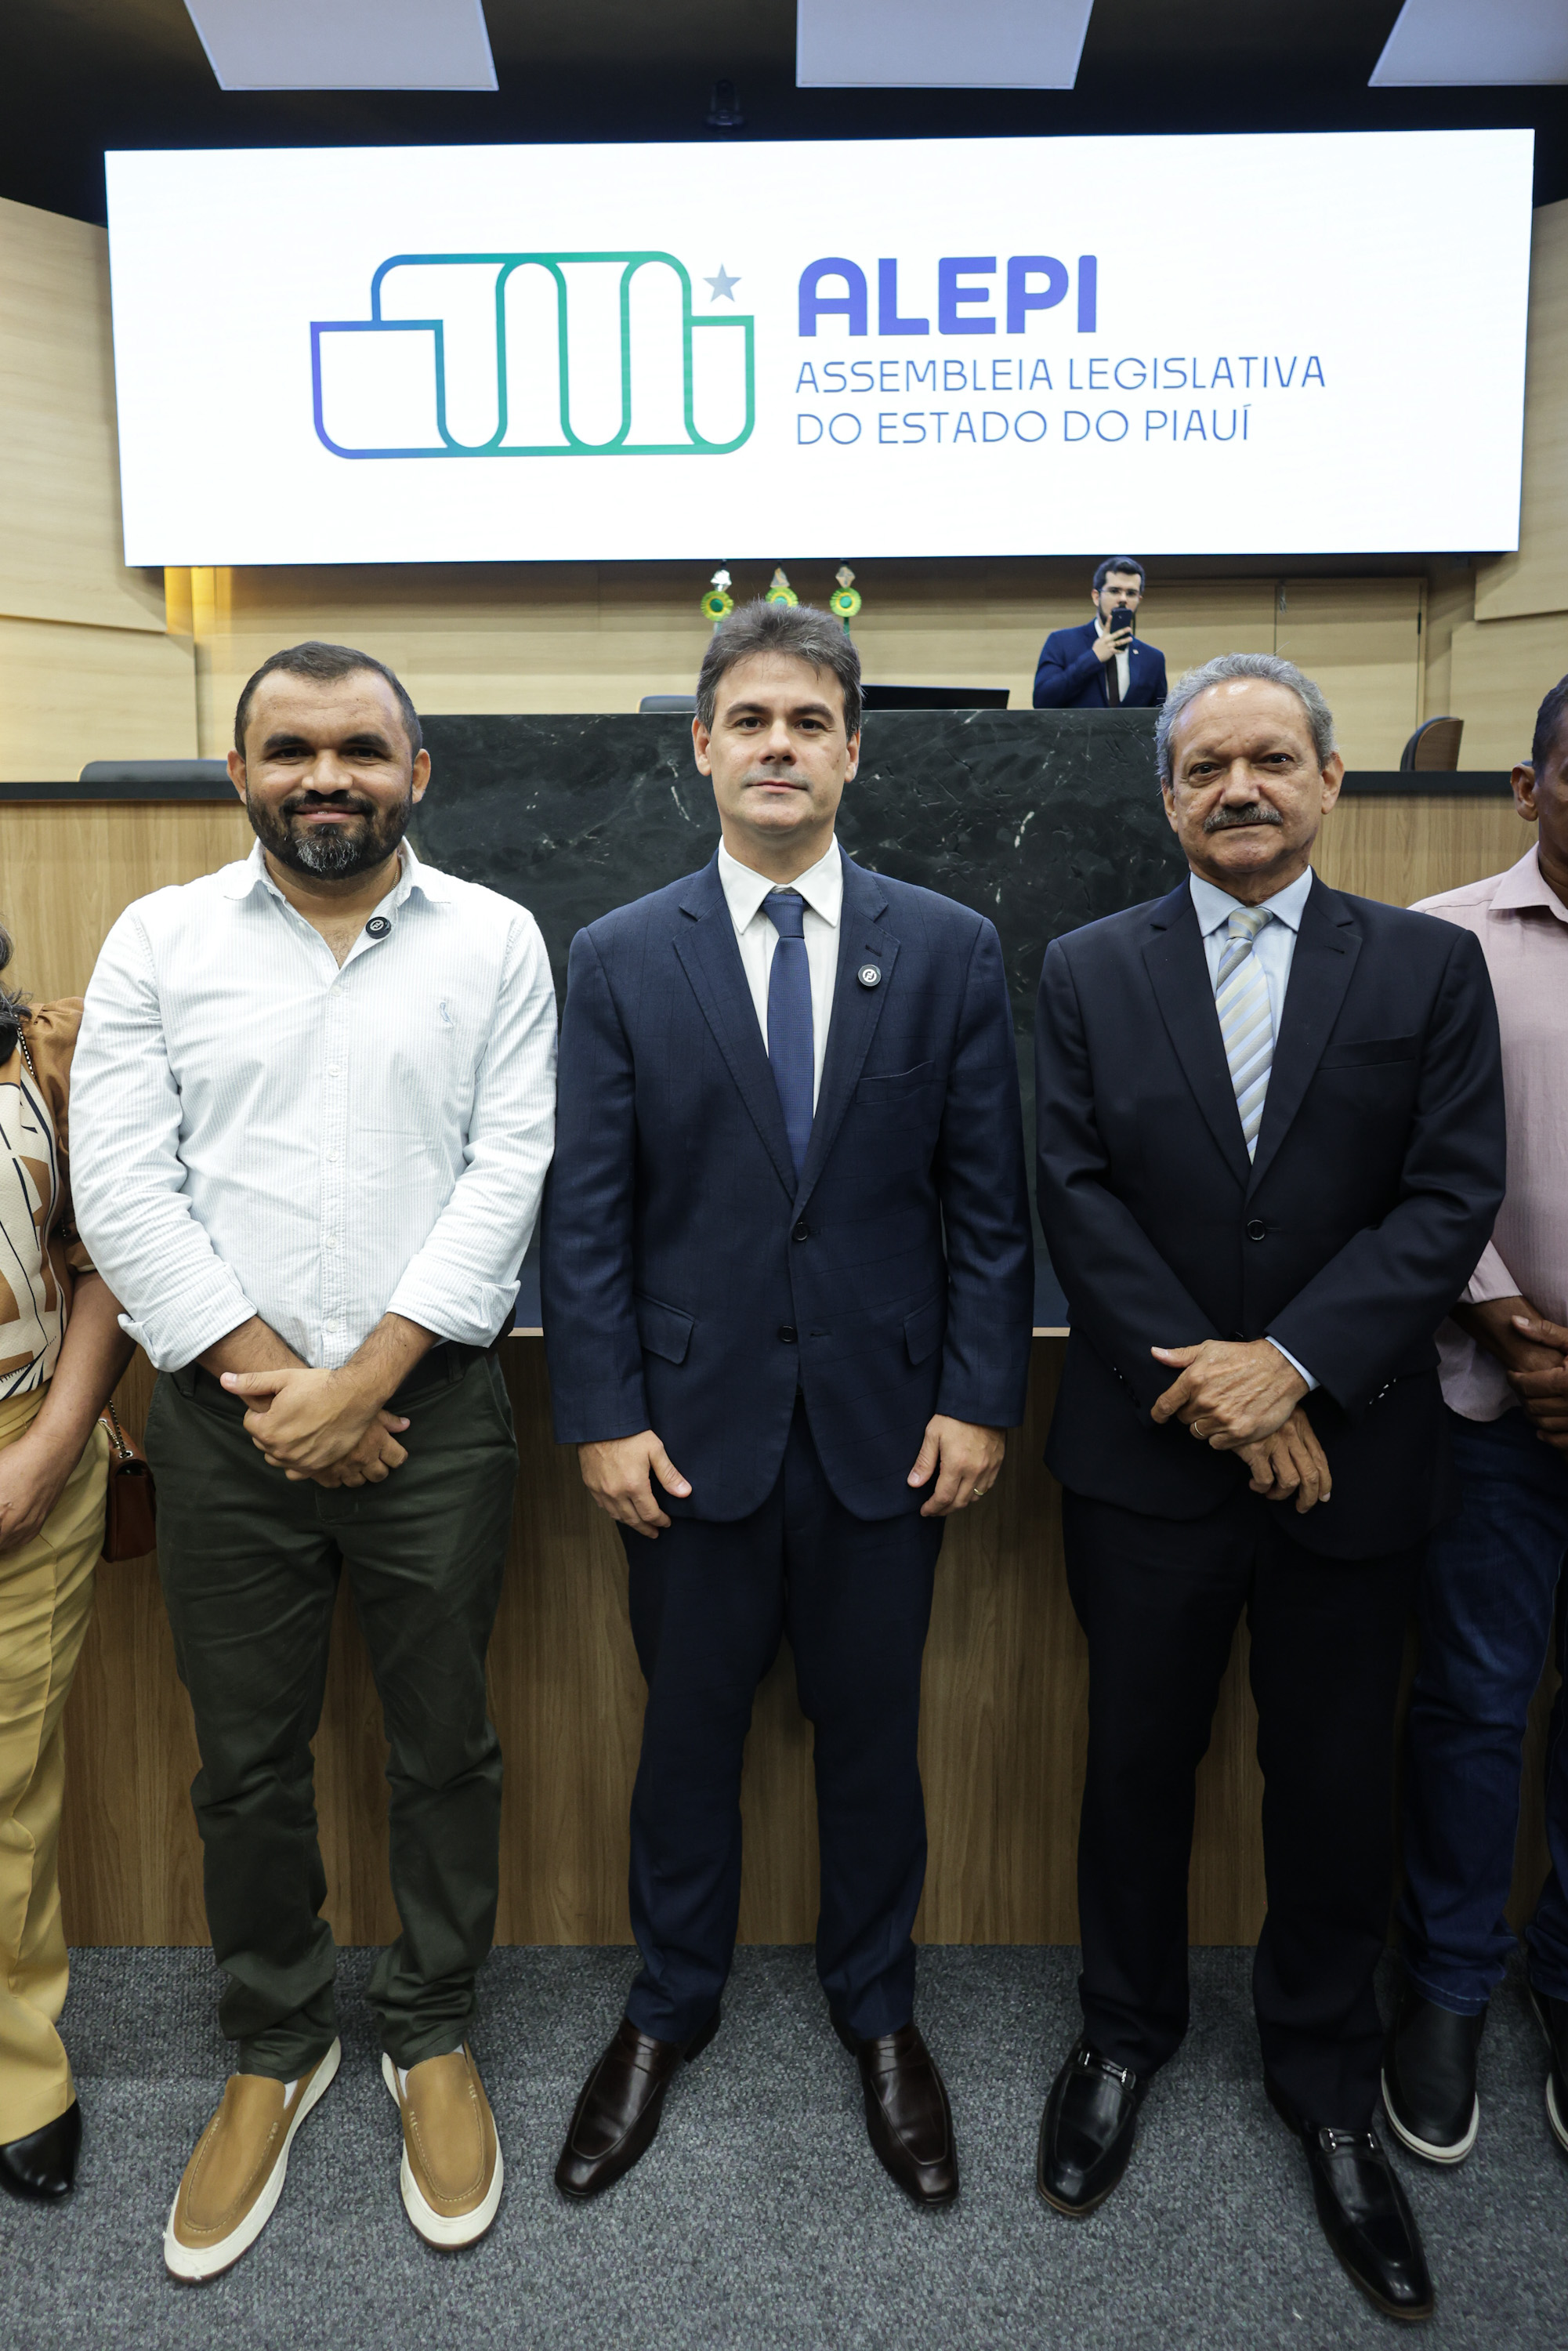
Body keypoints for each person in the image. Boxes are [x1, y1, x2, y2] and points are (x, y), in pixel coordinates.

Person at [69, 641, 556, 2279]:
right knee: (245, 1760)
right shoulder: (158, 941)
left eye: (360, 748)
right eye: (290, 749)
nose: (324, 777)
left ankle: (430, 2027)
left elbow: (508, 1171)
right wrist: (291, 1390)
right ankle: (275, 2043)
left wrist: (368, 1386)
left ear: (418, 771)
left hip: (436, 1417)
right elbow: (122, 1184)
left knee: (446, 1745)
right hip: (226, 1428)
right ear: (239, 773)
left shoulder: (495, 940)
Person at [541, 598, 1032, 2208]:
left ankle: (878, 2012)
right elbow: (588, 1216)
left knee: (873, 1745)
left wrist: (980, 1398)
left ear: (852, 754)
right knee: (684, 1744)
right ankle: (666, 2008)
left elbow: (989, 1206)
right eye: (748, 720)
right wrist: (602, 1414)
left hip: (891, 1437)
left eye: (807, 722)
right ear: (701, 748)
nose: (776, 746)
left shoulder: (946, 946)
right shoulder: (620, 956)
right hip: (684, 1441)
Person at [1033, 650, 1505, 2325]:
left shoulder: (1428, 967)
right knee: (1134, 1764)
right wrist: (1230, 1399)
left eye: (1272, 760)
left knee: (1332, 1781)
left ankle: (1323, 2078)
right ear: (1165, 795)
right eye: (1205, 766)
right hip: (1148, 1461)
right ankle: (1121, 2034)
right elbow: (1074, 1193)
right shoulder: (1087, 968)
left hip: (1350, 1460)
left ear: (1329, 780)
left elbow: (1446, 1196)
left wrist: (1294, 1364)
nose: (1239, 788)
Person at [1385, 672, 1568, 2172]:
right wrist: (1506, 1322)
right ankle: (1445, 1984)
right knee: (1474, 1706)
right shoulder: (1439, 945)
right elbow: (1407, 1166)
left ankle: (1561, 1977)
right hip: (1492, 1405)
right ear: (1529, 786)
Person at [0, 951, 134, 2205]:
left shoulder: (49, 1057)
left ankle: (17, 2075)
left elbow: (106, 1259)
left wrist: (47, 1452)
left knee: (4, 1791)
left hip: (19, 1460)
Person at [1032, 557, 1168, 712]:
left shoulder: (1153, 659)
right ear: (1096, 597)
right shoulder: (1061, 642)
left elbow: (1161, 719)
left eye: (1131, 593)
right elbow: (1042, 700)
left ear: (1139, 600)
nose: (1123, 599)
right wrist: (1093, 658)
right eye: (1114, 591)